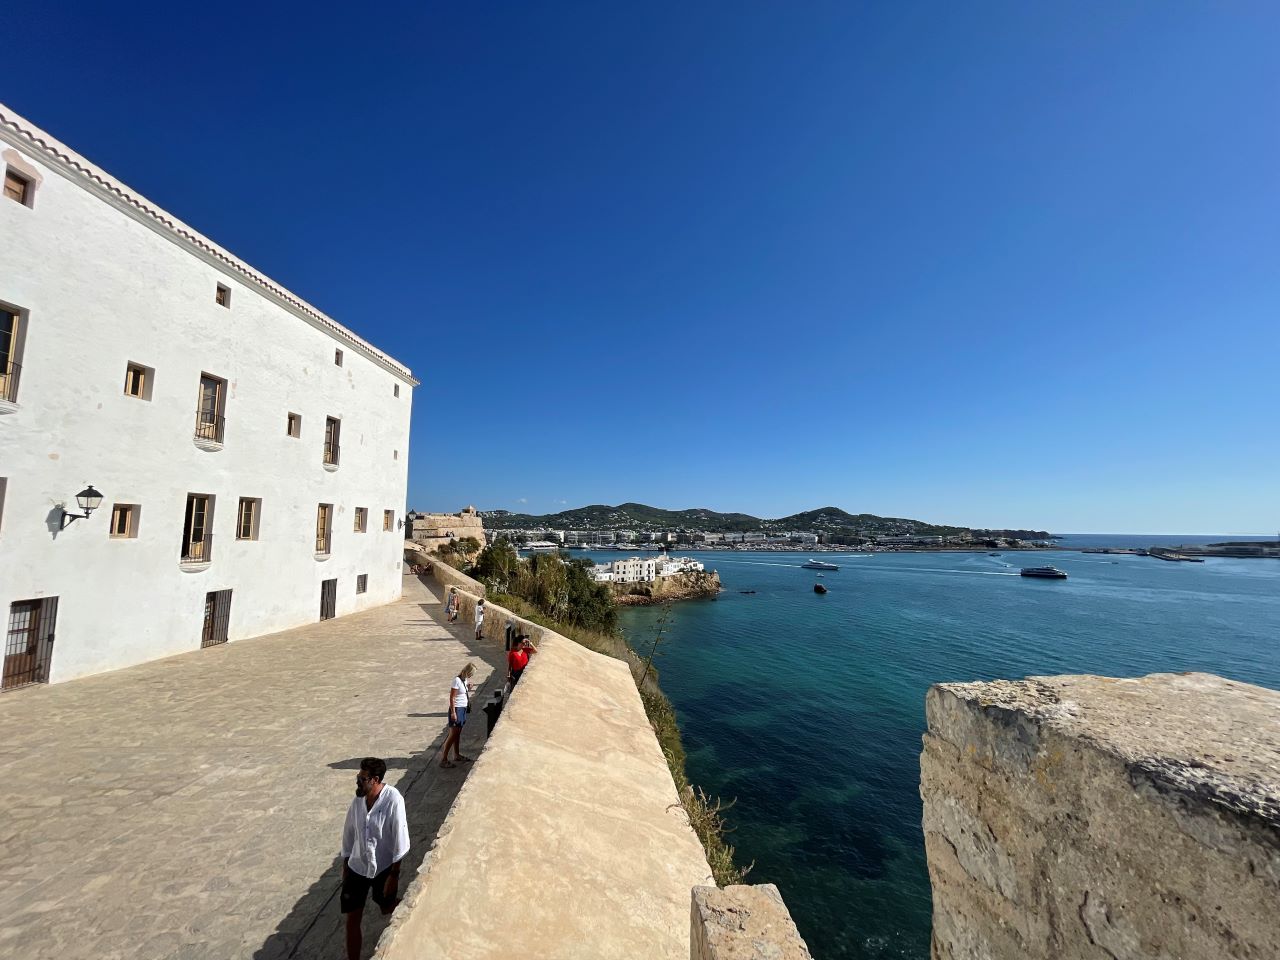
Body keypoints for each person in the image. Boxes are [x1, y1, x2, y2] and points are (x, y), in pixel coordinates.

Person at [340, 758, 409, 960]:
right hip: (358, 867)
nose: (358, 782)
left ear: (375, 780)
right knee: (352, 919)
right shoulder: (358, 801)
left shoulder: (393, 800)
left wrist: (394, 876)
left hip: (383, 868)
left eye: (362, 779)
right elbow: (349, 833)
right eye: (358, 777)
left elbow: (400, 839)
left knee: (387, 907)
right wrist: (346, 865)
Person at [440, 662, 476, 768]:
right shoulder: (457, 680)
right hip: (457, 709)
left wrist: (468, 688)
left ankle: (456, 754)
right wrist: (453, 712)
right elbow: (452, 697)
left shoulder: (463, 680)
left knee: (457, 733)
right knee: (452, 735)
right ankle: (444, 759)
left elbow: (461, 694)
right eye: (471, 673)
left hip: (462, 709)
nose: (471, 676)